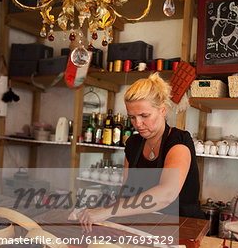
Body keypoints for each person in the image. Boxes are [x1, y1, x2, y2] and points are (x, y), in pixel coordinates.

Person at [76, 73, 204, 231]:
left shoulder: (178, 142)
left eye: (144, 115)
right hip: (142, 227)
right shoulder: (133, 144)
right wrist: (104, 215)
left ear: (163, 110)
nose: (138, 124)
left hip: (180, 229)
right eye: (132, 117)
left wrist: (107, 211)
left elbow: (167, 194)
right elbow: (126, 192)